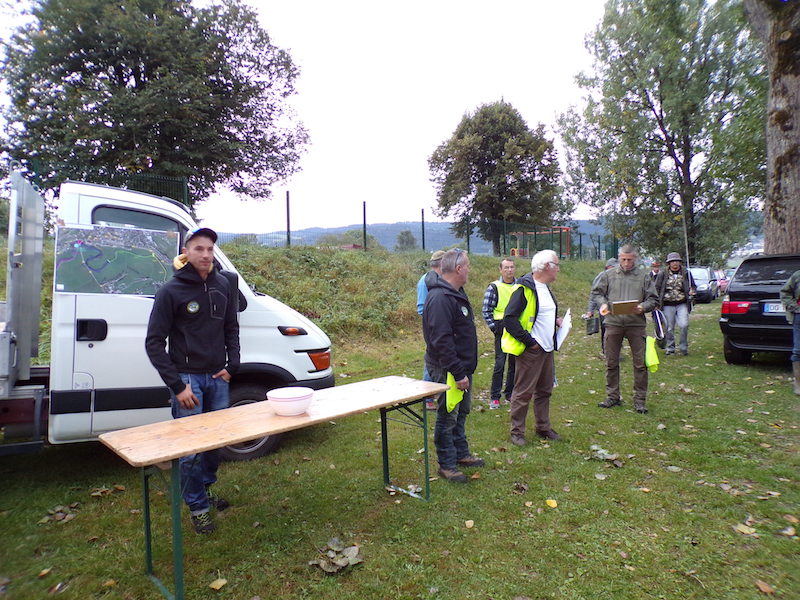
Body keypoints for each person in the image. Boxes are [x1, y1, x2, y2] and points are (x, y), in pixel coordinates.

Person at [145, 227, 240, 534]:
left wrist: (233, 364)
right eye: (199, 248)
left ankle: (205, 489)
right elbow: (154, 343)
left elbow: (231, 327)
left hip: (218, 377)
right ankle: (198, 508)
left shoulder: (223, 284)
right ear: (186, 252)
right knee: (190, 450)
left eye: (210, 249)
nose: (206, 255)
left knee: (215, 444)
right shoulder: (171, 291)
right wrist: (178, 386)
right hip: (188, 380)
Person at [422, 248, 484, 483]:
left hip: (461, 367)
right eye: (467, 266)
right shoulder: (440, 298)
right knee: (448, 415)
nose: (469, 270)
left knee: (461, 412)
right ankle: (446, 464)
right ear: (458, 269)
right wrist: (458, 373)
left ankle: (461, 453)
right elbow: (441, 341)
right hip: (448, 368)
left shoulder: (456, 293)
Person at [502, 250, 563, 446]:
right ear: (546, 267)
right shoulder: (523, 289)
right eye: (556, 265)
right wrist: (530, 343)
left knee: (545, 390)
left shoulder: (545, 288)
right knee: (523, 392)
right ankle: (517, 432)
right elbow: (509, 319)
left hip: (547, 349)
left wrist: (556, 321)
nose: (558, 269)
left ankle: (543, 427)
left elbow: (539, 313)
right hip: (532, 350)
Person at [591, 244, 659, 414]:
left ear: (635, 258)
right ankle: (613, 396)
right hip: (613, 322)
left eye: (629, 259)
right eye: (623, 259)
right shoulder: (608, 275)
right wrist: (603, 304)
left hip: (636, 324)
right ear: (619, 258)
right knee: (611, 362)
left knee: (640, 364)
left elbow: (653, 299)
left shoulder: (643, 277)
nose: (627, 263)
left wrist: (642, 307)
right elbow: (597, 293)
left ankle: (640, 400)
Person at [482, 257, 518, 409]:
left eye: (512, 267)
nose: (509, 270)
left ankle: (510, 393)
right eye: (506, 267)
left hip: (516, 328)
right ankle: (495, 397)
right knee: (500, 364)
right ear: (500, 270)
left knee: (514, 364)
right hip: (501, 328)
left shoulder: (520, 286)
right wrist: (494, 328)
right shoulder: (494, 287)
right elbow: (486, 310)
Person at [417, 250, 445, 409]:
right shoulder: (425, 281)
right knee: (432, 359)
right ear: (441, 263)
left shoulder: (442, 279)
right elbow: (421, 307)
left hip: (441, 326)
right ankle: (427, 397)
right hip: (432, 328)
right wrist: (435, 320)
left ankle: (439, 391)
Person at [654, 252, 695, 356]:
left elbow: (693, 287)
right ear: (669, 263)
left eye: (677, 261)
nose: (675, 263)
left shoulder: (686, 272)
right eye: (672, 261)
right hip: (667, 304)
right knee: (669, 327)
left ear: (680, 262)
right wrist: (656, 302)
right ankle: (670, 348)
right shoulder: (663, 273)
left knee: (684, 325)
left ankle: (683, 348)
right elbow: (657, 288)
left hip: (682, 303)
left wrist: (692, 291)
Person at [585, 258, 617, 354]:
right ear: (608, 267)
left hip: (615, 308)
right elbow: (594, 294)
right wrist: (590, 310)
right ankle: (607, 350)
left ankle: (615, 350)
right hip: (604, 308)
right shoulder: (601, 276)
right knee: (606, 329)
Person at [780, 269, 800, 395]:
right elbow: (785, 292)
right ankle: (798, 384)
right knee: (798, 351)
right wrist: (795, 307)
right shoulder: (797, 275)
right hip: (799, 317)